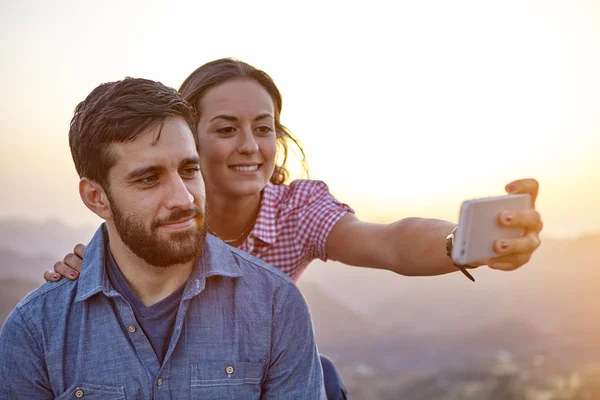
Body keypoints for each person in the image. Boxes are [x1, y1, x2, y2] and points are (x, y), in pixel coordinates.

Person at [46, 58, 544, 399]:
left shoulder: (295, 210)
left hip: (251, 375)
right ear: (185, 138)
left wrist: (462, 243)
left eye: (264, 128)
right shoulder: (152, 224)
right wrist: (93, 267)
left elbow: (387, 241)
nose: (250, 145)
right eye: (225, 129)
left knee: (321, 375)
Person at [1, 77, 325, 399]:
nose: (184, 199)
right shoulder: (36, 329)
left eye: (189, 170)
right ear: (96, 197)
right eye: (149, 179)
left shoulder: (275, 306)